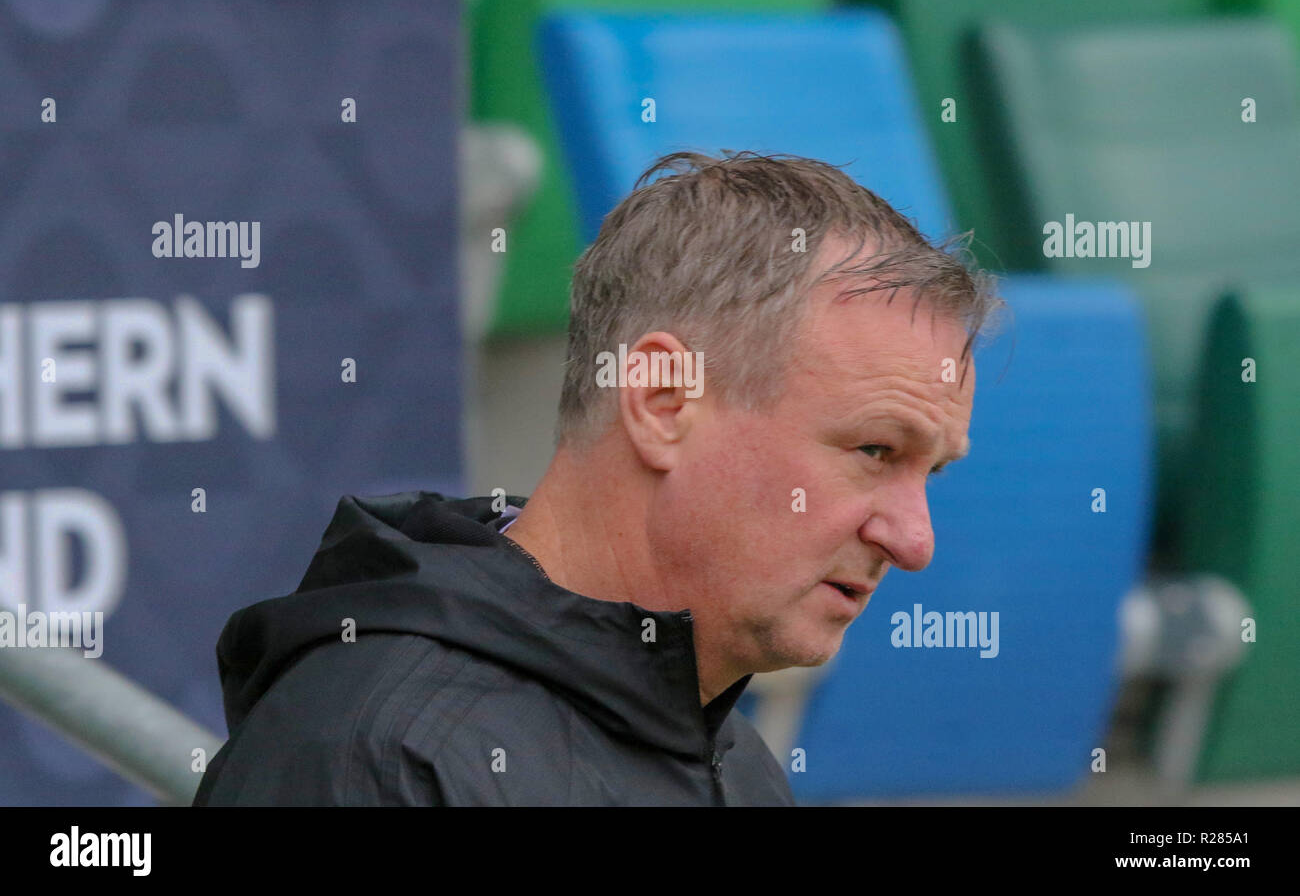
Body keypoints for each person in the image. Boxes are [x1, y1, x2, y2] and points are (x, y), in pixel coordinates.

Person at [193, 150, 1002, 806]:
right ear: (659, 402)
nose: (914, 540)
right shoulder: (379, 760)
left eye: (931, 472)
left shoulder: (732, 755)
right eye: (874, 452)